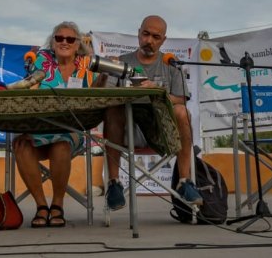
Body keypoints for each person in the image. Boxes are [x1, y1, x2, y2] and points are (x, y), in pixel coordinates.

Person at [103, 15, 203, 211]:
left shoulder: (171, 64)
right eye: (146, 34)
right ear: (138, 33)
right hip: (128, 130)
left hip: (161, 131)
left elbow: (181, 98)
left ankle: (185, 182)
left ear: (163, 40)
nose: (149, 41)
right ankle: (114, 183)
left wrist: (157, 91)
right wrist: (106, 73)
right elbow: (104, 95)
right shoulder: (122, 62)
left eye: (156, 37)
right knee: (113, 109)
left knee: (182, 111)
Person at [13, 21, 103, 228]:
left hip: (70, 130)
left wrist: (105, 76)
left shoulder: (87, 65)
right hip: (40, 128)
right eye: (59, 38)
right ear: (52, 42)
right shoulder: (41, 61)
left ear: (78, 43)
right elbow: (28, 90)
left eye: (70, 39)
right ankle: (41, 206)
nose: (64, 42)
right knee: (20, 145)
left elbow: (98, 95)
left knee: (61, 145)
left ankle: (57, 205)